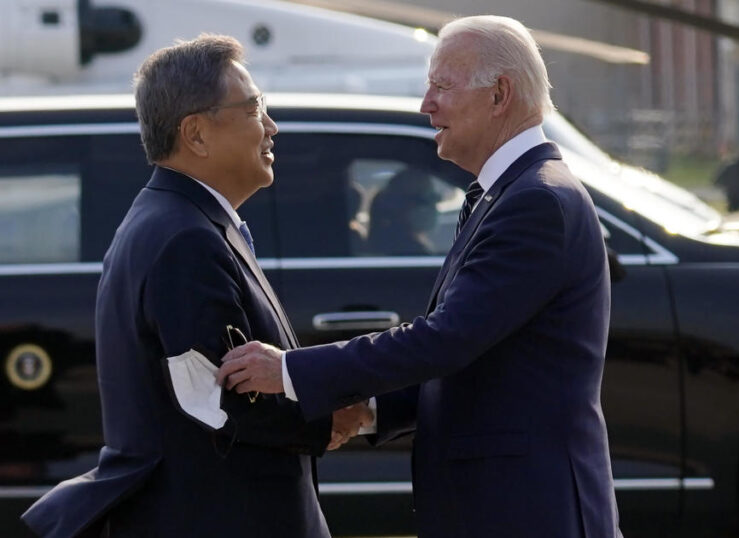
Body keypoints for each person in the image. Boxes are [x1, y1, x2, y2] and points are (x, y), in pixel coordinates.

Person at [218, 16, 622, 538]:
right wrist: (369, 411)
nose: (426, 104)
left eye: (442, 86)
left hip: (528, 509)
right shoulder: (505, 196)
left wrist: (291, 372)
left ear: (499, 94)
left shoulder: (536, 202)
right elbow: (480, 361)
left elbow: (446, 340)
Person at [21, 34, 369, 538]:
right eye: (254, 109)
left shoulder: (181, 222)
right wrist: (328, 416)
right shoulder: (184, 238)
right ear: (196, 134)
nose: (271, 127)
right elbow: (215, 399)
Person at [366, 167, 441, 255]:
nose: (433, 206)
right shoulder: (410, 252)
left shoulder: (381, 242)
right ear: (401, 205)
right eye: (425, 200)